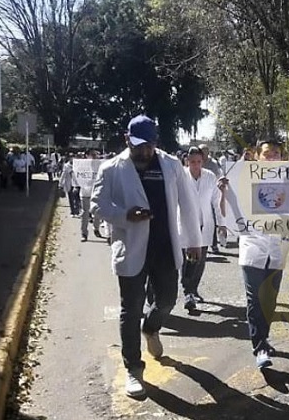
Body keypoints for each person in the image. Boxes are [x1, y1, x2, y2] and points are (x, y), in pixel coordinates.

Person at [91, 115, 201, 398]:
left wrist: (194, 242)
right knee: (131, 309)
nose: (145, 152)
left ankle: (151, 328)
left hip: (165, 246)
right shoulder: (111, 168)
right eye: (139, 145)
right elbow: (98, 207)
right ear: (127, 139)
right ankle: (133, 369)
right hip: (131, 248)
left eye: (150, 145)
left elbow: (187, 204)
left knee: (167, 300)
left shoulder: (171, 165)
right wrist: (125, 216)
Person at [218, 138, 289, 369]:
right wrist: (224, 192)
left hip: (278, 247)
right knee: (255, 299)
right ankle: (259, 347)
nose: (272, 158)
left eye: (276, 154)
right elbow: (226, 212)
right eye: (267, 154)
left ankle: (264, 338)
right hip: (252, 246)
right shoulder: (242, 182)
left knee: (269, 300)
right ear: (257, 156)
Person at [181, 146, 220, 311]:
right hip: (185, 223)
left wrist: (222, 223)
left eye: (198, 162)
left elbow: (216, 201)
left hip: (205, 224)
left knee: (200, 261)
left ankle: (193, 288)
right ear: (187, 161)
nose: (195, 165)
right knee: (188, 260)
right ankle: (187, 291)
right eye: (192, 162)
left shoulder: (210, 176)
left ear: (203, 161)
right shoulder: (181, 176)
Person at [80, 150, 104, 241]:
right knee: (85, 214)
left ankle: (96, 228)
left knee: (97, 212)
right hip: (85, 193)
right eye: (92, 155)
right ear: (87, 156)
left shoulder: (100, 165)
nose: (94, 156)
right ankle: (84, 233)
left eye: (95, 154)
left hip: (97, 193)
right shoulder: (81, 166)